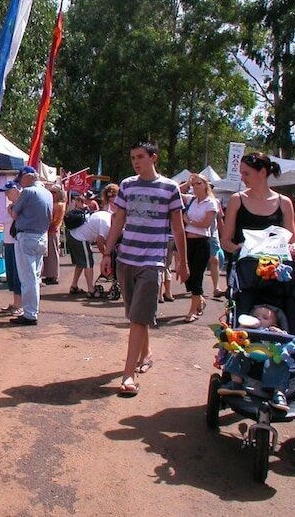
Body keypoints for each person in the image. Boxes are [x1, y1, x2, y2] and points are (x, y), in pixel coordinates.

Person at [102, 140, 188, 397]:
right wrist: (107, 252)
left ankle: (128, 375)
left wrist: (183, 262)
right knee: (135, 314)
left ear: (153, 158)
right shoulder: (127, 185)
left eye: (140, 156)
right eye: (132, 158)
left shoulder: (170, 187)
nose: (136, 162)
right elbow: (118, 220)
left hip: (152, 261)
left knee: (138, 318)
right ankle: (146, 352)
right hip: (126, 259)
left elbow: (178, 227)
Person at [220, 153, 295, 267]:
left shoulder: (284, 202)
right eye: (241, 173)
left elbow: (294, 242)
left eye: (246, 174)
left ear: (262, 172)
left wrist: (293, 248)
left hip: (276, 270)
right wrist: (241, 250)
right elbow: (225, 242)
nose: (242, 178)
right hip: (245, 269)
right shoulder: (236, 200)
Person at [216, 304, 292, 411]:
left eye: (265, 318)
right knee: (236, 351)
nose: (259, 319)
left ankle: (278, 393)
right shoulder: (247, 329)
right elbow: (236, 336)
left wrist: (279, 333)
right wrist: (243, 328)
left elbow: (287, 341)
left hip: (270, 357)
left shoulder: (274, 330)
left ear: (274, 323)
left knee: (279, 359)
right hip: (249, 357)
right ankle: (236, 383)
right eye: (256, 317)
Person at [7, 165, 52, 326]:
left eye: (21, 180)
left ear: (27, 177)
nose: (20, 184)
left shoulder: (28, 192)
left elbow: (14, 213)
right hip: (41, 236)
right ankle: (32, 311)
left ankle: (30, 314)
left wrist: (11, 207)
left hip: (27, 236)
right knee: (35, 276)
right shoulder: (47, 193)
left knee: (28, 278)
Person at [181, 174, 219, 322]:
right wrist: (187, 182)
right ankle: (200, 299)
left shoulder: (211, 202)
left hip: (202, 242)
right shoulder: (191, 200)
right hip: (187, 241)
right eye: (194, 184)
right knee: (187, 275)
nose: (195, 186)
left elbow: (206, 224)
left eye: (198, 183)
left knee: (196, 276)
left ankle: (192, 311)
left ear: (205, 185)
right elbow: (175, 192)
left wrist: (188, 221)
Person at [66, 198, 112, 295]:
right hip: (80, 237)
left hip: (73, 234)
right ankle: (91, 290)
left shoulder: (106, 215)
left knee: (81, 263)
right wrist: (106, 255)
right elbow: (100, 242)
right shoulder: (107, 224)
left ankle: (74, 286)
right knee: (88, 263)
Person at [0, 180, 23, 315]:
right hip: (9, 243)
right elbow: (6, 226)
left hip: (17, 243)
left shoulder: (19, 207)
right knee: (11, 273)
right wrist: (2, 243)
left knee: (17, 274)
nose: (6, 194)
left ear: (16, 190)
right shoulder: (10, 206)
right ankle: (16, 302)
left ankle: (20, 304)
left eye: (8, 191)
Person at [43, 184, 66, 285]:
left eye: (54, 192)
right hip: (50, 230)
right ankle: (49, 274)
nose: (52, 194)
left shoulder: (59, 205)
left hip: (53, 230)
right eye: (51, 192)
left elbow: (54, 220)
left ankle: (53, 275)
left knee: (53, 254)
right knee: (49, 254)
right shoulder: (54, 204)